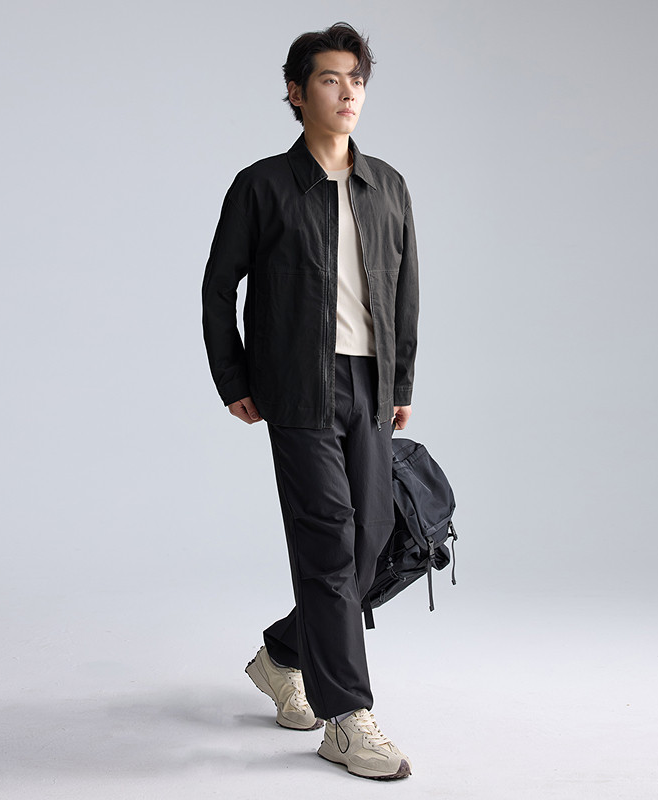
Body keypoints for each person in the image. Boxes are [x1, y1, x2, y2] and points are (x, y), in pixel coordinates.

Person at [201, 22, 419, 781]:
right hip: (296, 385)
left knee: (374, 541)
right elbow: (218, 286)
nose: (348, 90)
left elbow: (405, 291)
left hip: (370, 384)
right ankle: (346, 718)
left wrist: (401, 384)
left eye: (356, 78)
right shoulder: (262, 185)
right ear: (296, 94)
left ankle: (283, 654)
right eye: (330, 78)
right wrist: (234, 378)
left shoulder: (388, 185)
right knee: (329, 541)